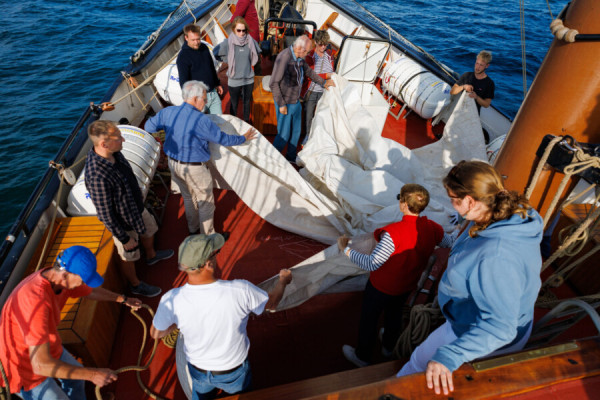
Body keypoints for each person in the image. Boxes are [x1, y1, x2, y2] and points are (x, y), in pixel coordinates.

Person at [396, 160, 543, 395]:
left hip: (476, 327)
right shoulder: (510, 216)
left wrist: (449, 355)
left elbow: (499, 327)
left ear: (471, 201)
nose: (453, 206)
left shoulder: (496, 257)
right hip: (491, 316)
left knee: (417, 364)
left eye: (454, 200)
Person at [150, 234, 293, 399]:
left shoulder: (171, 299)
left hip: (199, 370)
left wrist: (178, 322)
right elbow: (272, 303)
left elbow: (156, 333)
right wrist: (283, 281)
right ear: (209, 264)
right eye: (215, 253)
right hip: (234, 371)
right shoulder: (241, 290)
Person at [0, 245, 142, 399]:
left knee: (77, 381)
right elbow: (40, 365)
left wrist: (124, 299)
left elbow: (91, 291)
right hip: (22, 367)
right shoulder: (36, 301)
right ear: (65, 275)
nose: (82, 284)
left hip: (48, 346)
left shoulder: (59, 280)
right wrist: (93, 374)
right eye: (82, 281)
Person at [338, 184, 454, 368]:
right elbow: (449, 242)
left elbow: (371, 263)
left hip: (380, 287)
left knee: (369, 319)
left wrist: (346, 250)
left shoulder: (393, 234)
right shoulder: (433, 228)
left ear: (404, 205)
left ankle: (362, 355)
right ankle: (388, 346)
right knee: (394, 314)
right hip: (407, 285)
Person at [144, 81, 257, 236]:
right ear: (195, 98)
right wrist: (242, 138)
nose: (206, 102)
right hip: (195, 168)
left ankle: (193, 228)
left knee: (189, 198)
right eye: (204, 98)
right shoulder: (202, 120)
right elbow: (223, 139)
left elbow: (149, 127)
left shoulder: (167, 112)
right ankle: (208, 238)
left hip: (173, 164)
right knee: (206, 203)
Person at [85, 120, 174, 297]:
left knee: (149, 230)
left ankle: (151, 255)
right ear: (104, 144)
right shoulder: (97, 175)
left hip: (137, 208)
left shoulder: (115, 153)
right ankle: (135, 284)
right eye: (118, 138)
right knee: (128, 255)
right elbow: (105, 214)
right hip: (124, 223)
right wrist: (124, 239)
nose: (123, 140)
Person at [269, 35, 335, 163]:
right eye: (307, 51)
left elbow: (309, 72)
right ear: (299, 48)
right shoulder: (284, 58)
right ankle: (271, 159)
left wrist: (324, 83)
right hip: (285, 102)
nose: (308, 54)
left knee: (296, 132)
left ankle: (291, 156)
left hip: (296, 101)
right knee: (284, 134)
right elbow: (273, 83)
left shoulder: (300, 58)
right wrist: (281, 105)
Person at [213, 17, 261, 123]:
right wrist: (227, 59)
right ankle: (233, 122)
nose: (241, 33)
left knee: (246, 102)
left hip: (248, 78)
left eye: (244, 30)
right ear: (234, 30)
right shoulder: (228, 42)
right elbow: (215, 53)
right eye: (239, 30)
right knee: (234, 103)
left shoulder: (251, 41)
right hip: (234, 80)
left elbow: (257, 52)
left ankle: (247, 122)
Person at [177, 24, 223, 114]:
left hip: (213, 94)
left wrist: (217, 83)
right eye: (193, 40)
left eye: (198, 39)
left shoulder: (204, 48)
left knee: (219, 122)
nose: (196, 42)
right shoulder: (182, 57)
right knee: (199, 126)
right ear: (186, 38)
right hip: (198, 99)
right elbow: (184, 83)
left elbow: (211, 68)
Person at [303, 30, 335, 143]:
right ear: (315, 42)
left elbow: (333, 72)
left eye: (325, 44)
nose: (323, 47)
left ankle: (318, 138)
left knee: (321, 116)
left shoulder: (329, 56)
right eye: (321, 44)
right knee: (309, 115)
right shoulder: (310, 56)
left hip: (324, 91)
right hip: (312, 90)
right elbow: (311, 75)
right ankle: (308, 135)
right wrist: (327, 76)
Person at [229, 0, 262, 75]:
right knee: (256, 60)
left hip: (249, 37)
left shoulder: (244, 1)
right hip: (253, 35)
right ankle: (258, 79)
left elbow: (235, 19)